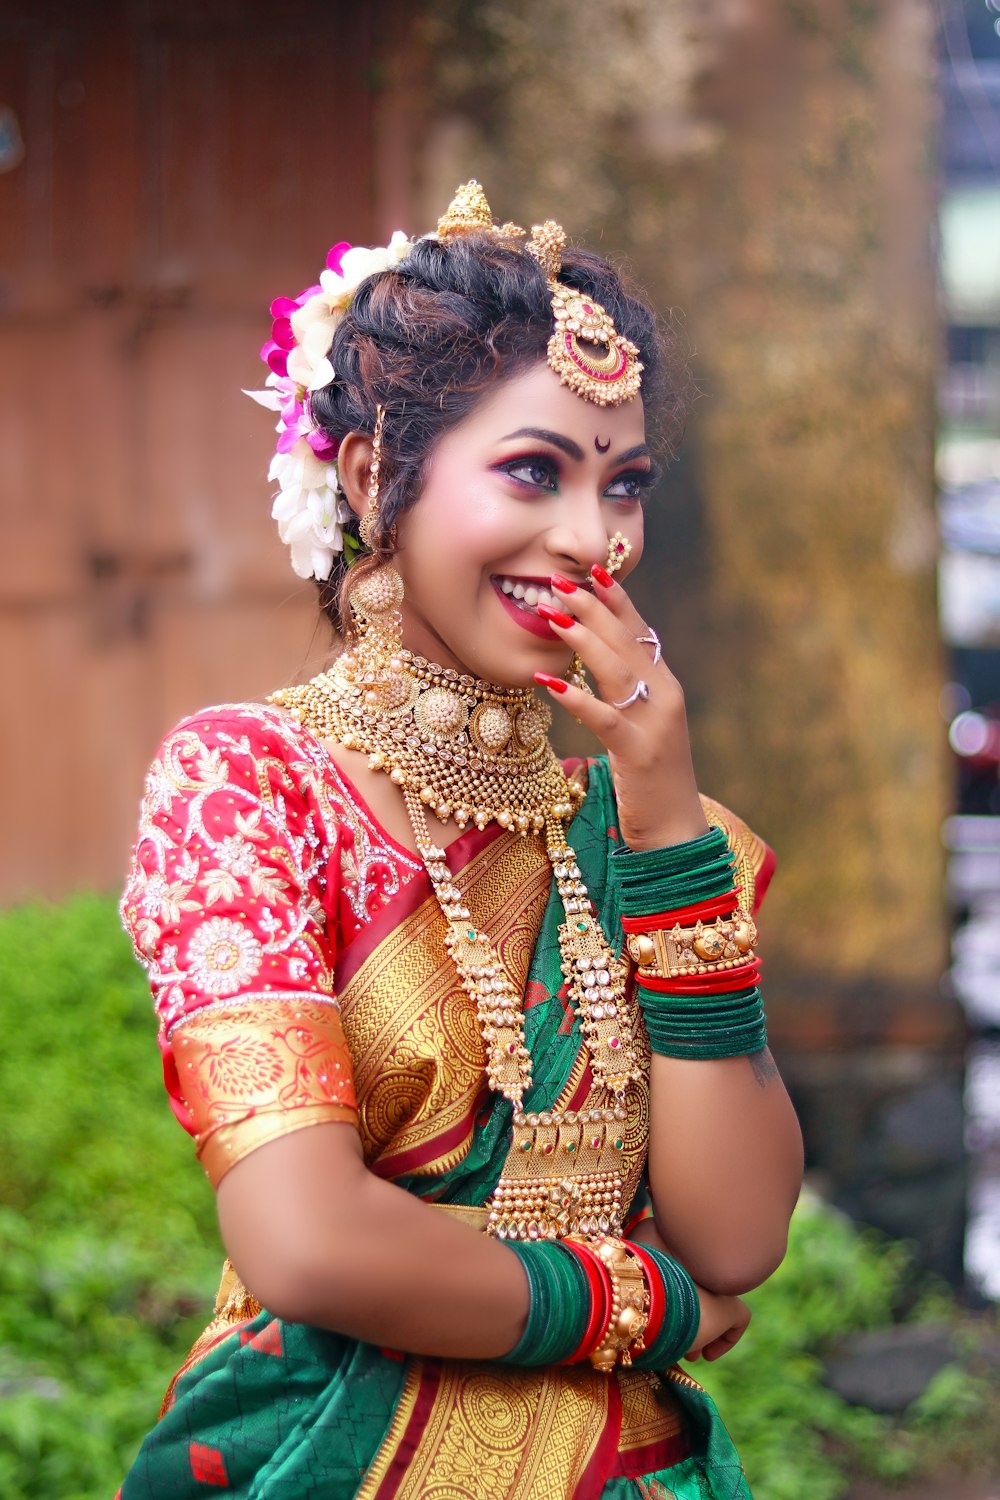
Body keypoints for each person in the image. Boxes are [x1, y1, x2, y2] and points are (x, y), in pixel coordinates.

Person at [119, 181, 803, 1500]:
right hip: (324, 1457)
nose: (593, 540)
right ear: (378, 477)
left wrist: (661, 826)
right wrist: (636, 1309)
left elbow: (734, 1237)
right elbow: (309, 1243)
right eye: (535, 471)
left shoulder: (645, 828)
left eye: (625, 483)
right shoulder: (250, 791)